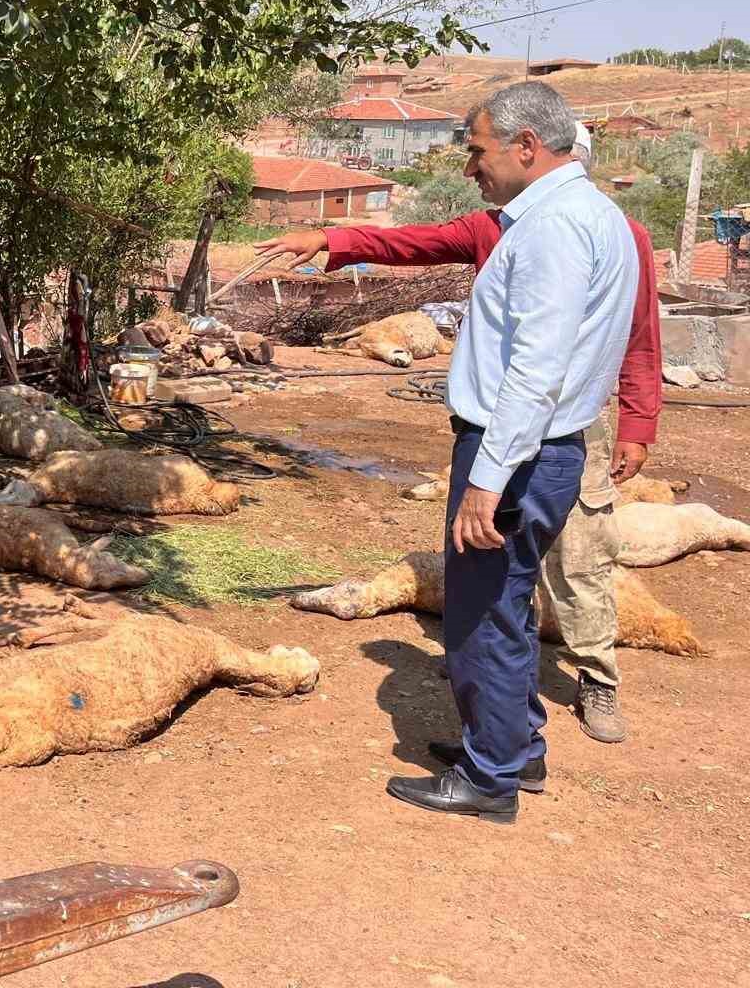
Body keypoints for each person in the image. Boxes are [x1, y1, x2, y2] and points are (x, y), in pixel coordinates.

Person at [266, 82, 640, 822]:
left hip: (520, 452)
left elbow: (536, 367)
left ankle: (490, 778)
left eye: (478, 150)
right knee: (503, 606)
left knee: (481, 614)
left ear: (526, 146)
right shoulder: (587, 217)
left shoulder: (553, 229)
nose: (472, 166)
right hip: (542, 447)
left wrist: (487, 479)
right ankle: (514, 746)